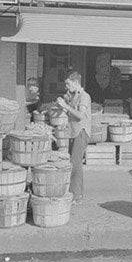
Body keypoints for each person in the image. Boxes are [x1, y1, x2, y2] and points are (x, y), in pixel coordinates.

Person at [56, 70, 91, 201]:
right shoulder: (75, 96)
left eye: (68, 84)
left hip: (81, 132)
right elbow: (72, 114)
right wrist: (63, 107)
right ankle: (75, 192)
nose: (67, 87)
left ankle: (76, 195)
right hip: (73, 131)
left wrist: (66, 106)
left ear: (76, 83)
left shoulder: (84, 96)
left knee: (76, 164)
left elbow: (80, 116)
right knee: (73, 163)